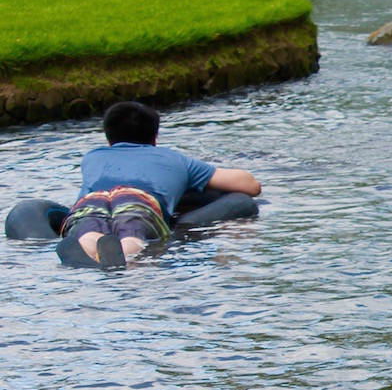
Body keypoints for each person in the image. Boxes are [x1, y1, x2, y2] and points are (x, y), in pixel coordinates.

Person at [58, 101, 262, 270]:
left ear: (108, 137)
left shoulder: (92, 157)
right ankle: (123, 256)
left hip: (91, 202)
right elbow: (249, 186)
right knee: (133, 235)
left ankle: (85, 250)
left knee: (88, 229)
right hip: (139, 201)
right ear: (154, 137)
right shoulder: (173, 159)